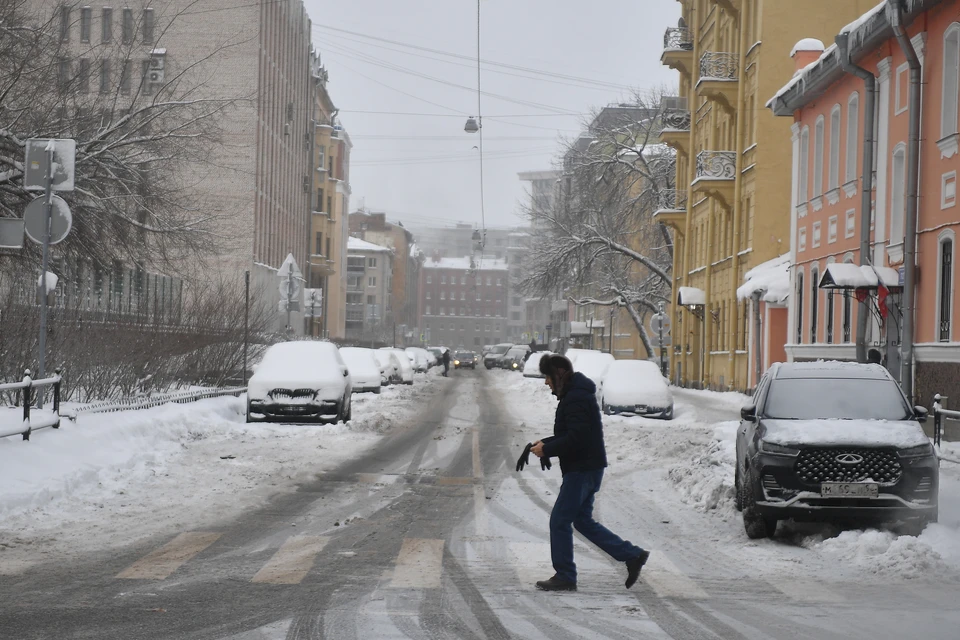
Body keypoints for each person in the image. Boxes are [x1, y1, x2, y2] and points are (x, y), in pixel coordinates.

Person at [529, 354, 649, 592]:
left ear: (559, 374)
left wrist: (548, 449)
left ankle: (565, 576)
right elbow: (574, 434)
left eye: (548, 376)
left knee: (559, 521)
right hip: (589, 467)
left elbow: (577, 438)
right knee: (582, 521)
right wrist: (546, 443)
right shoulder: (576, 394)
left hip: (582, 469)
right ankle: (632, 555)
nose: (546, 382)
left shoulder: (576, 398)